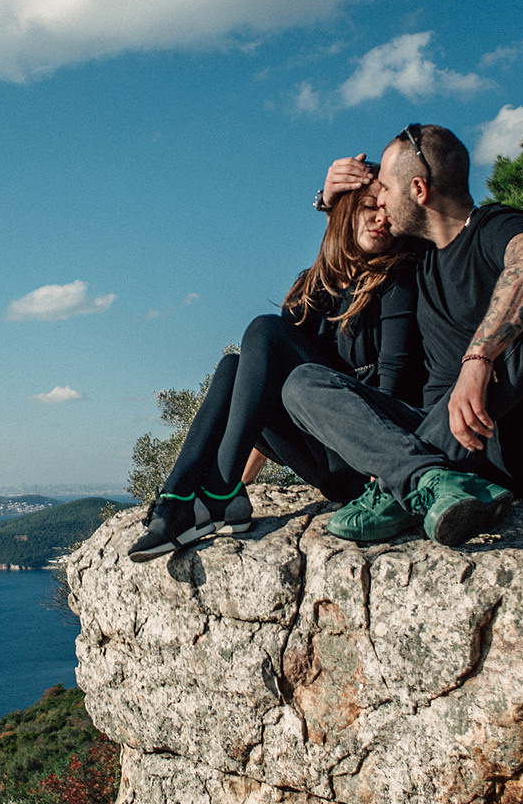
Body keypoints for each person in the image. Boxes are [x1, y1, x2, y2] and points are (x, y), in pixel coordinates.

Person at [283, 123, 523, 549]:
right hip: (444, 444)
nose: (382, 204)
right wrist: (329, 200)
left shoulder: (493, 226)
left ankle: (401, 493)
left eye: (387, 191)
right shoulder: (419, 258)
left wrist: (478, 360)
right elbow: (350, 249)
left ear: (418, 189)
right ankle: (427, 481)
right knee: (301, 383)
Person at [128, 187, 425, 562]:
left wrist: (386, 464)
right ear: (344, 215)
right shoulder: (312, 288)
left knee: (265, 330)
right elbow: (262, 389)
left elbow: (394, 380)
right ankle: (184, 497)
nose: (381, 218)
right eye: (369, 207)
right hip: (322, 458)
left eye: (388, 212)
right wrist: (244, 478)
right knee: (233, 367)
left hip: (363, 457)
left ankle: (212, 497)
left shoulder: (394, 279)